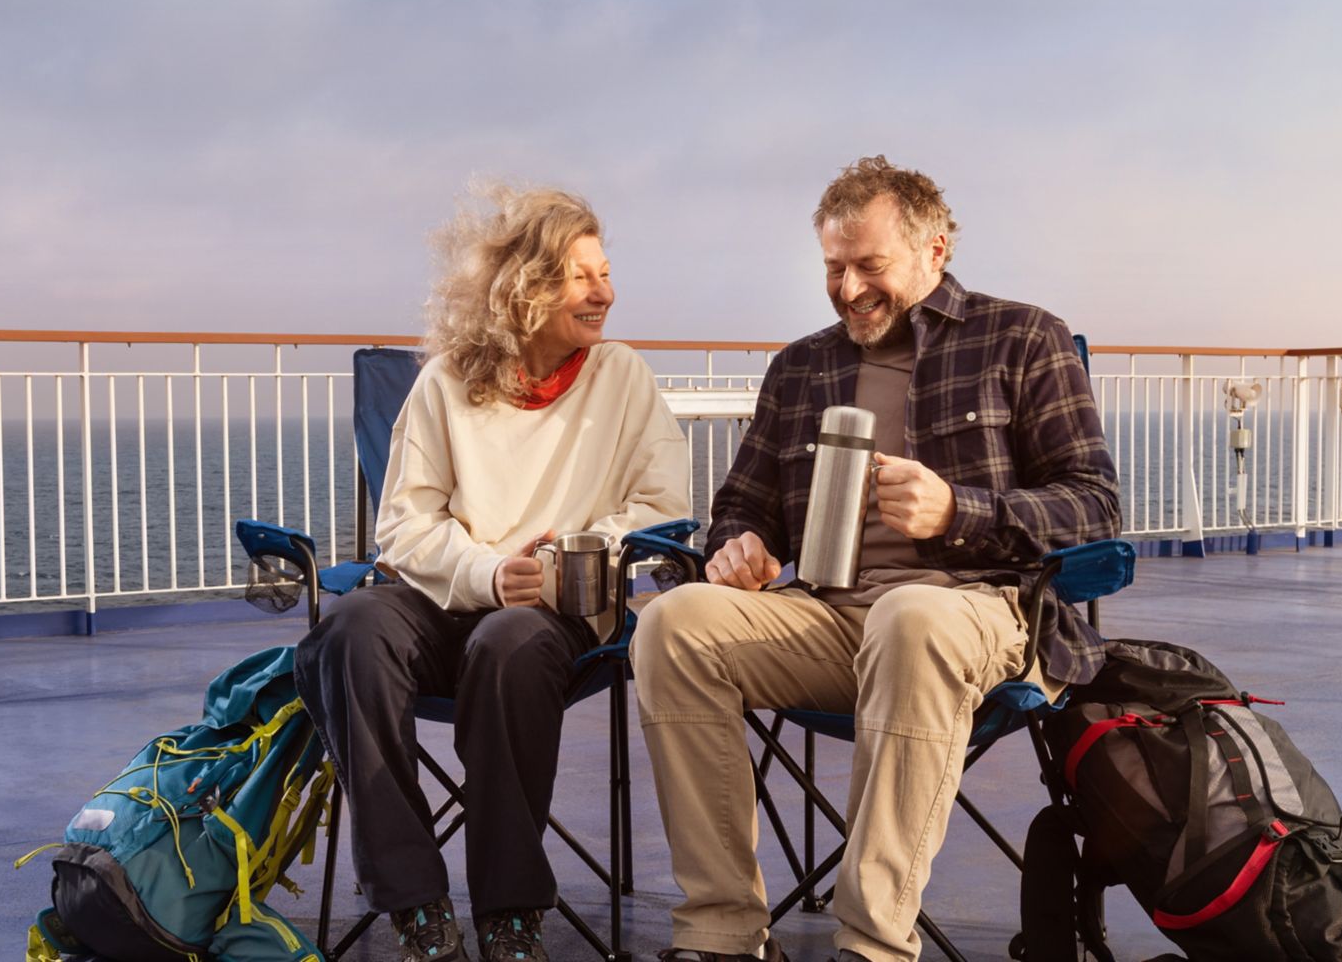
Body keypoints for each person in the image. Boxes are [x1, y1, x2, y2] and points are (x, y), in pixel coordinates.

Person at [632, 156, 1120, 962]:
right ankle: (720, 933)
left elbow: (1094, 506)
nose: (850, 287)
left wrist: (961, 510)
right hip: (830, 616)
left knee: (909, 615)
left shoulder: (1021, 337)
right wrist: (737, 550)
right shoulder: (801, 367)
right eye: (833, 268)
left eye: (871, 265)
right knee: (673, 624)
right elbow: (741, 508)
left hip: (979, 613)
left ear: (935, 249)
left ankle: (871, 944)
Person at [294, 185, 692, 962]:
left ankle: (511, 909)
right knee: (349, 629)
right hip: (446, 599)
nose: (605, 293)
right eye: (583, 277)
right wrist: (485, 570)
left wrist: (566, 552)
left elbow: (662, 508)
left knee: (509, 644)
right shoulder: (446, 380)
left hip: (556, 614)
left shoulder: (622, 379)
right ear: (527, 286)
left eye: (605, 274)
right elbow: (404, 525)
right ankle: (414, 900)